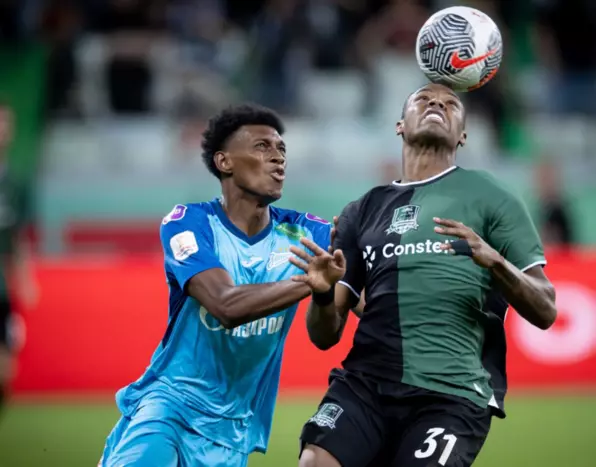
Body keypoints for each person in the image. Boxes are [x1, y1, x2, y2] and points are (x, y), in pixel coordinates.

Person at [295, 83, 558, 467]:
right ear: (400, 124)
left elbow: (546, 309)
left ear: (463, 134)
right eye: (423, 99)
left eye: (451, 104)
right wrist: (321, 293)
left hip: (450, 395)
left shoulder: (492, 196)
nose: (436, 103)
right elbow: (324, 336)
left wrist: (496, 263)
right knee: (314, 462)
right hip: (366, 385)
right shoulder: (362, 210)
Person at [99, 104, 347, 467]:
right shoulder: (189, 223)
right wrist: (310, 284)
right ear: (224, 161)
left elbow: (330, 334)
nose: (278, 157)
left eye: (281, 149)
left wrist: (324, 293)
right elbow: (225, 305)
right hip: (170, 408)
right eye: (262, 147)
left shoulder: (307, 232)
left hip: (232, 431)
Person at [0, 104, 38, 417]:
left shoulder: (14, 182)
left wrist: (25, 279)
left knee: (6, 370)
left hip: (2, 289)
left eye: (6, 123)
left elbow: (17, 238)